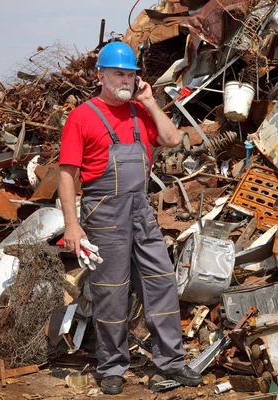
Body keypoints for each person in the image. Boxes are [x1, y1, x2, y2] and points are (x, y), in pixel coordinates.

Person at [58, 42, 202, 395]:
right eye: (119, 73)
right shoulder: (82, 116)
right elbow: (66, 174)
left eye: (131, 74)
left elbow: (172, 139)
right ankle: (111, 368)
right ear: (100, 77)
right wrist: (73, 226)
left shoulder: (140, 111)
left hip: (140, 211)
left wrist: (151, 102)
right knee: (111, 294)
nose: (126, 79)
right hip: (103, 214)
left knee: (161, 284)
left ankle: (172, 362)